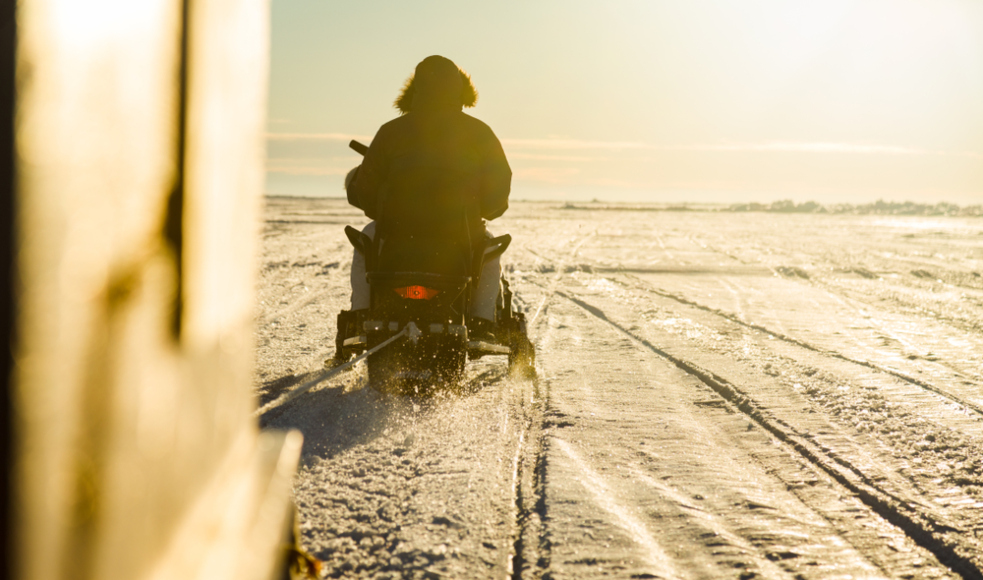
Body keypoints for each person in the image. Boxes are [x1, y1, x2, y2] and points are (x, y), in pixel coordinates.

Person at [339, 55, 512, 355]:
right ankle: (483, 322)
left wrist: (375, 203)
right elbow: (498, 191)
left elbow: (364, 191)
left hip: (396, 237)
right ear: (460, 89)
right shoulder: (479, 133)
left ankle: (360, 316)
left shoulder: (391, 131)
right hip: (459, 236)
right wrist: (484, 209)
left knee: (365, 241)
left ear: (416, 88)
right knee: (488, 253)